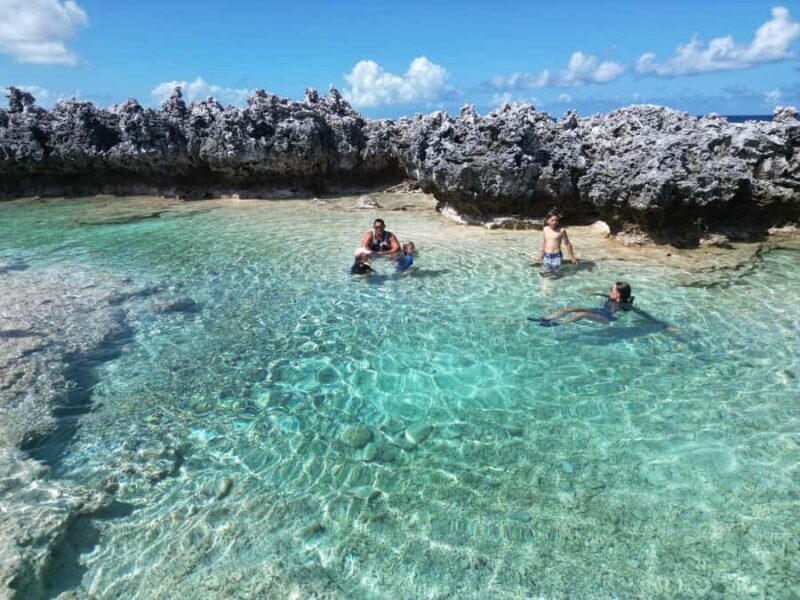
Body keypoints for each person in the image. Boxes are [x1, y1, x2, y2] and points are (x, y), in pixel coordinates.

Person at [532, 281, 677, 331]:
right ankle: (545, 319)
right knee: (569, 308)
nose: (609, 291)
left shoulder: (625, 306)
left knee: (581, 314)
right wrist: (595, 293)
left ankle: (558, 324)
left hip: (607, 319)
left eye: (612, 289)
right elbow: (605, 295)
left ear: (619, 294)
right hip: (600, 311)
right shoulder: (611, 297)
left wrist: (664, 325)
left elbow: (644, 314)